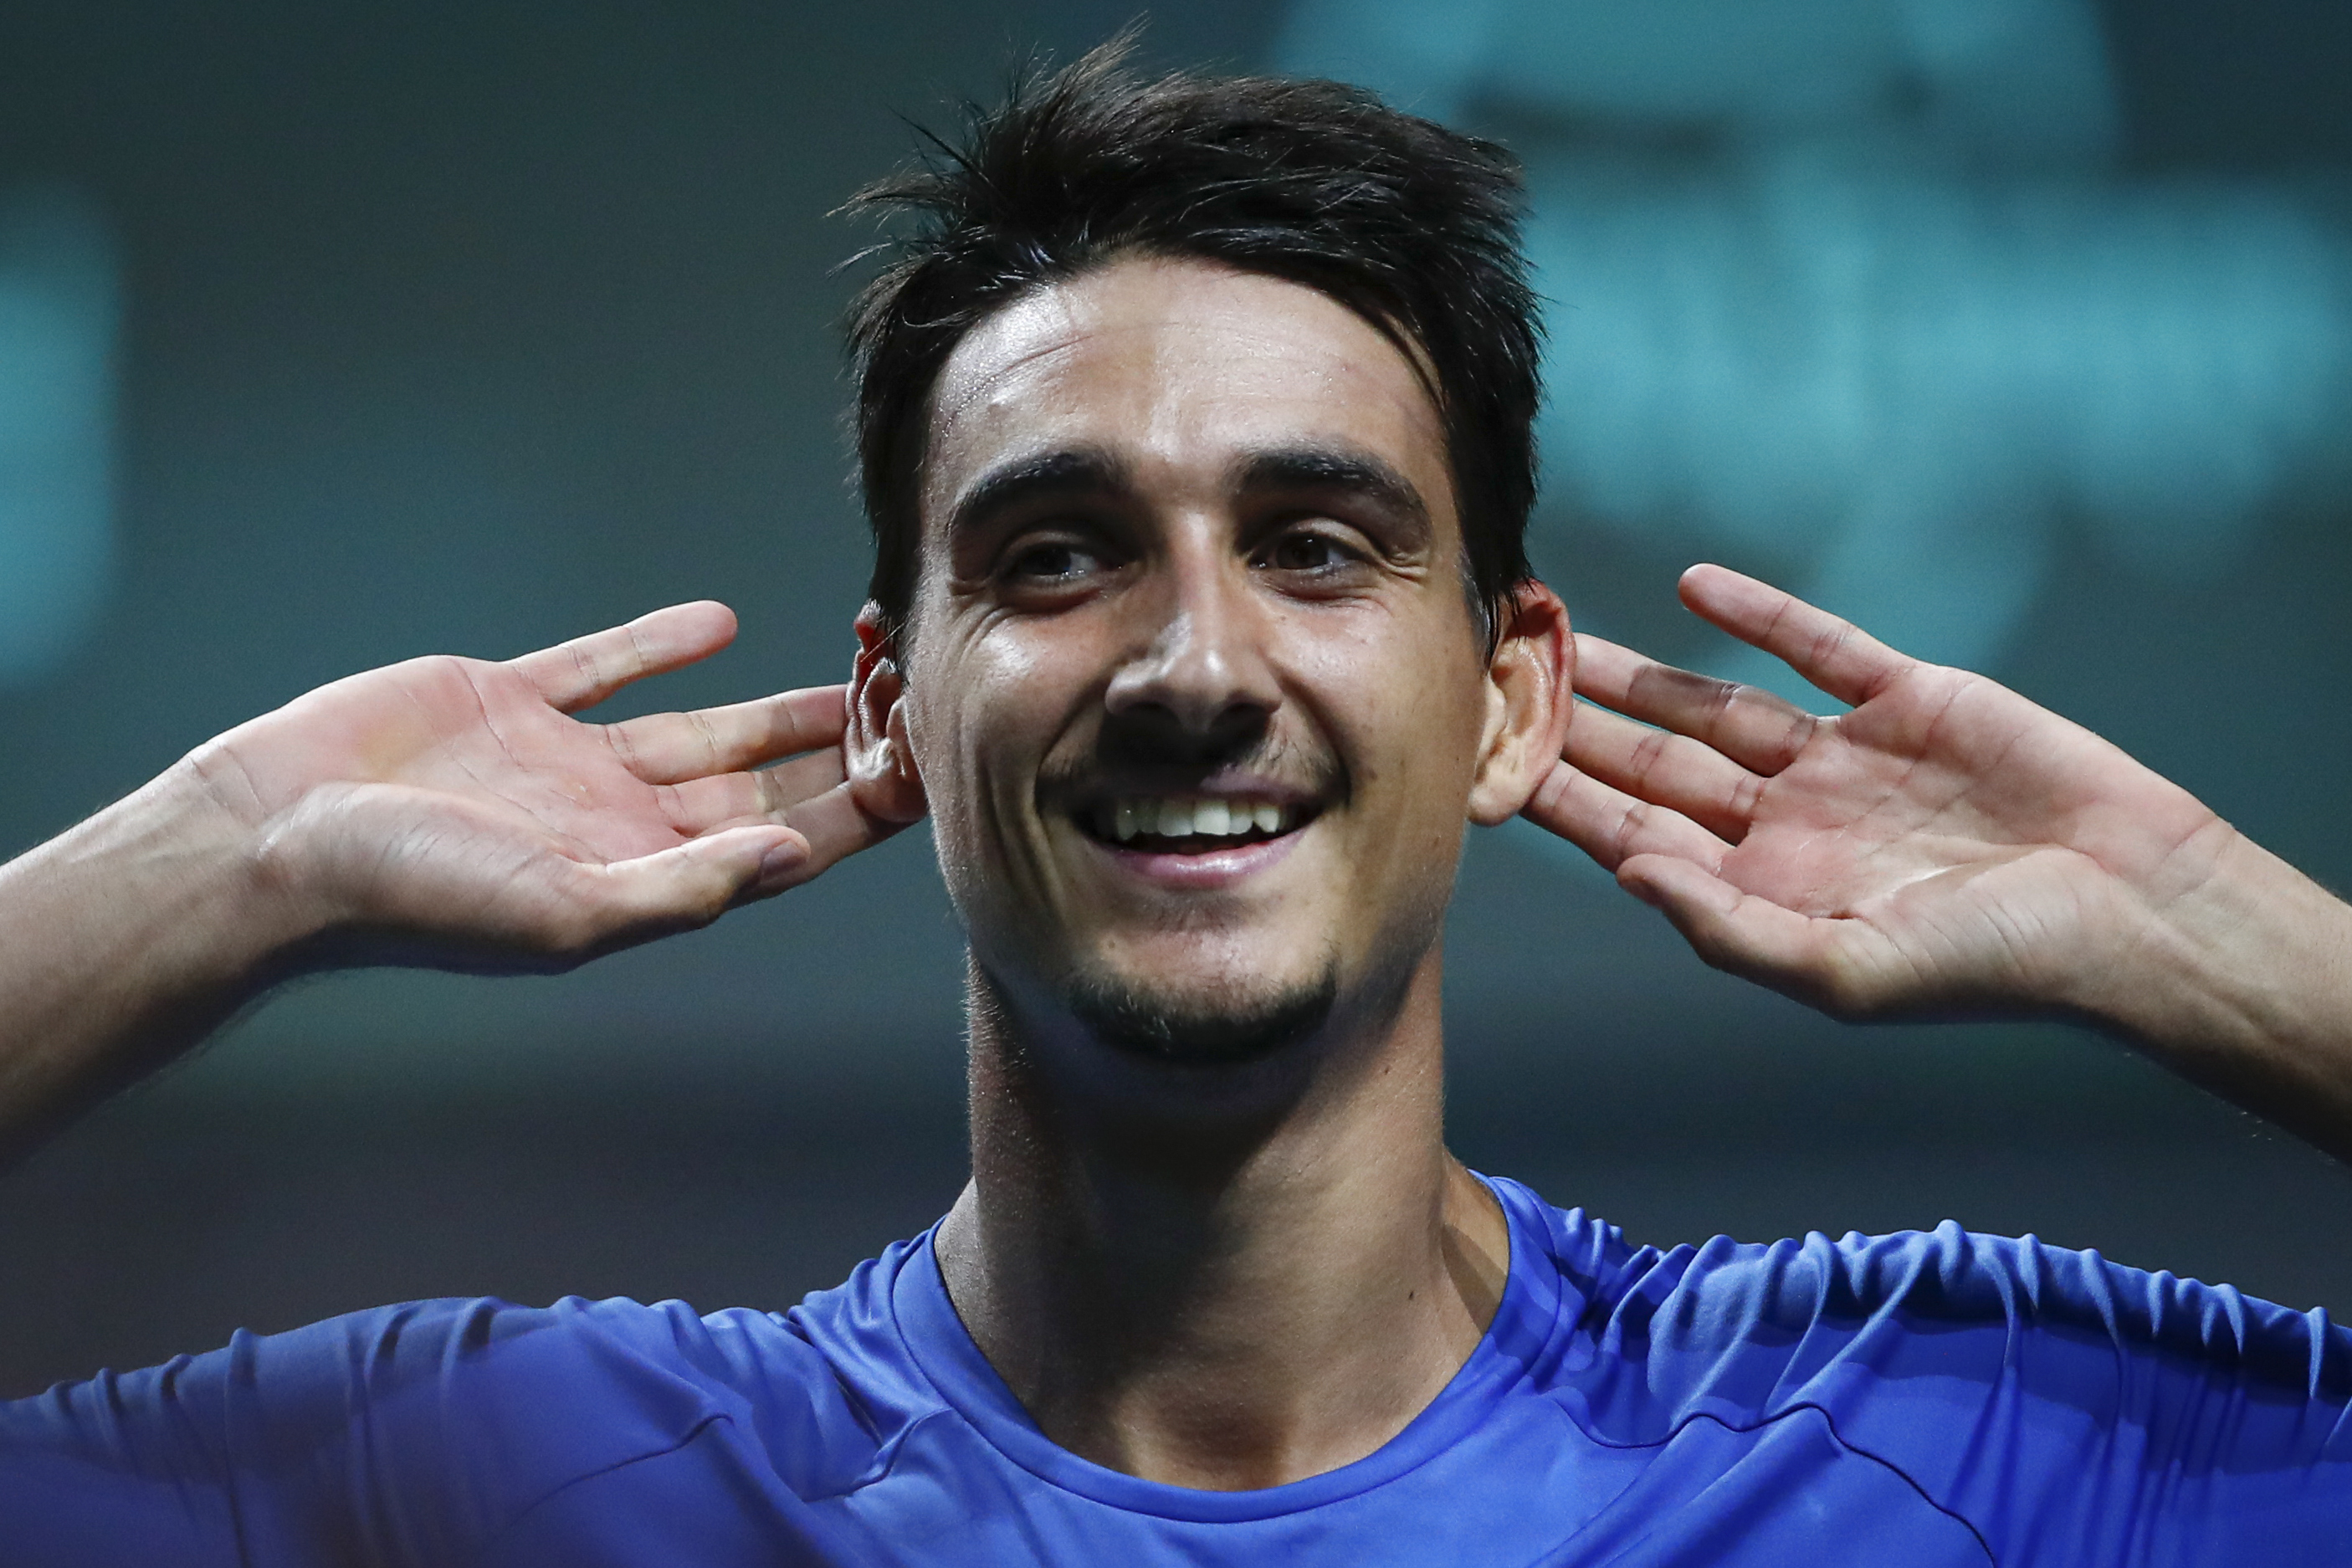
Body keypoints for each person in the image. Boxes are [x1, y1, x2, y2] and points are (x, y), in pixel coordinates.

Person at [7, 42, 2352, 1567]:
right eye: (1055, 551)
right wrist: (224, 861)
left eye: (1317, 543)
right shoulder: (503, 1488)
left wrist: (2225, 944)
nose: (1195, 662)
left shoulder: (1946, 1439)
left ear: (1508, 694)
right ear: (892, 705)